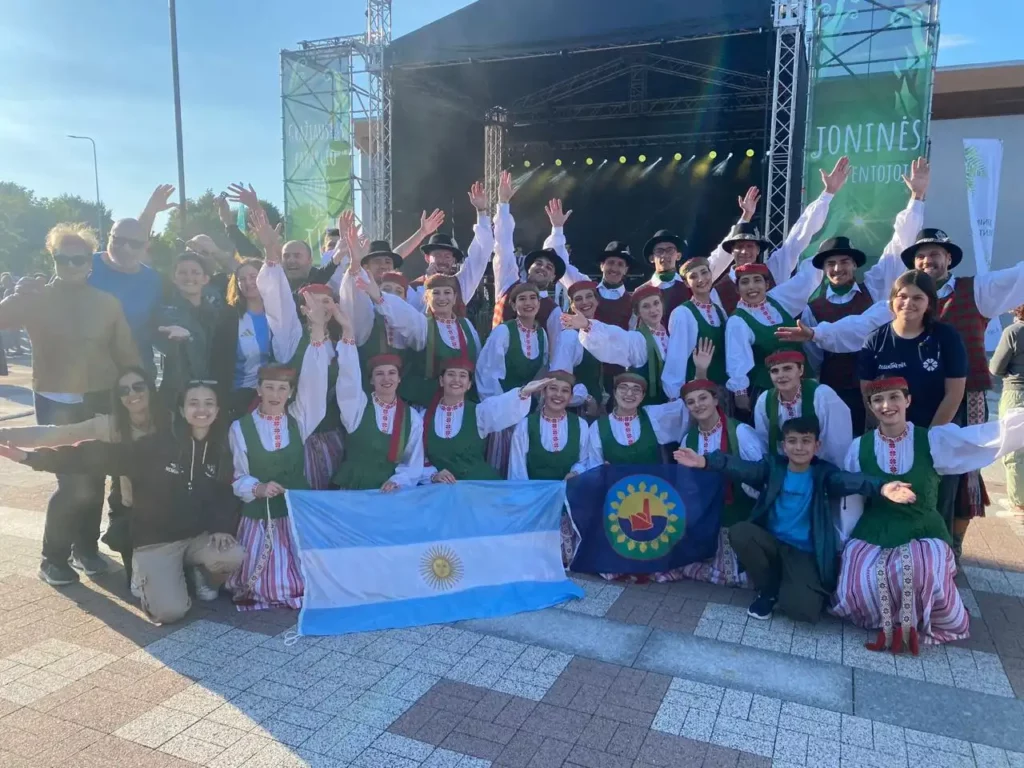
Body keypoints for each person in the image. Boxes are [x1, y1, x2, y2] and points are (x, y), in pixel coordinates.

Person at [0, 380, 243, 624]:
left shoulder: (220, 449)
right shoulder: (157, 445)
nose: (202, 409)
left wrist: (221, 526)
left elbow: (223, 494)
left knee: (234, 554)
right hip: (156, 541)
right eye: (194, 403)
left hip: (195, 537)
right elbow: (90, 458)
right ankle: (150, 571)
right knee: (169, 613)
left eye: (209, 403)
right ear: (181, 410)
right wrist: (29, 458)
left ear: (218, 410)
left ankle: (189, 571)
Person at [833, 377, 1024, 651]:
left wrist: (1018, 423)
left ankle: (909, 625)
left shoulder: (933, 441)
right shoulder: (859, 447)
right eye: (878, 400)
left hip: (924, 529)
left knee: (921, 565)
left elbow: (983, 439)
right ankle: (888, 621)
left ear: (907, 400)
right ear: (870, 407)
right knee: (859, 579)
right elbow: (850, 498)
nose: (887, 405)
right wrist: (845, 541)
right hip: (876, 526)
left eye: (894, 397)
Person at [0, 223, 141, 585]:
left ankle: (87, 549)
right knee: (73, 482)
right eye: (63, 258)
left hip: (99, 397)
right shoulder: (35, 298)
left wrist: (137, 392)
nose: (71, 265)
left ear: (90, 263)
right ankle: (53, 558)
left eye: (78, 259)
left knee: (95, 474)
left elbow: (127, 355)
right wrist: (16, 296)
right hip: (56, 398)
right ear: (54, 259)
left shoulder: (107, 304)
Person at [674, 415, 915, 622]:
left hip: (803, 553)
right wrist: (705, 462)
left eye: (806, 441)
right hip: (770, 542)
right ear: (783, 445)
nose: (799, 447)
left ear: (817, 445)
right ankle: (768, 589)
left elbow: (852, 480)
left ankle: (788, 582)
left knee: (803, 612)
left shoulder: (824, 474)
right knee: (740, 532)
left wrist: (882, 487)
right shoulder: (773, 467)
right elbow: (740, 467)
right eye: (792, 441)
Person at [899, 227, 1024, 532]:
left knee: (963, 469)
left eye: (935, 254)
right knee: (918, 463)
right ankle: (918, 534)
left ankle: (952, 547)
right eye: (921, 255)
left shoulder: (976, 290)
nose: (928, 260)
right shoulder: (905, 298)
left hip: (967, 395)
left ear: (948, 259)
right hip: (917, 395)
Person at [0, 367, 168, 591]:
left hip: (171, 510)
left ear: (150, 389)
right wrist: (8, 437)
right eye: (124, 390)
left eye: (138, 386)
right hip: (135, 512)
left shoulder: (170, 420)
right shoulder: (110, 425)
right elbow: (56, 435)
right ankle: (59, 558)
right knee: (144, 591)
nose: (132, 394)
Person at [800, 158, 929, 433]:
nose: (838, 268)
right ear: (823, 270)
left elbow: (898, 245)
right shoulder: (814, 308)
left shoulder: (875, 287)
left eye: (844, 262)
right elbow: (814, 358)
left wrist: (916, 198)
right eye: (831, 264)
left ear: (855, 265)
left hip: (879, 388)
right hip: (834, 389)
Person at [225, 295, 332, 611]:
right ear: (258, 390)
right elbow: (238, 475)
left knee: (304, 580)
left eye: (282, 389)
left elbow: (316, 379)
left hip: (295, 513)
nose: (275, 394)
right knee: (263, 583)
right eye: (268, 387)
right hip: (260, 518)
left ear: (290, 393)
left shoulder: (299, 420)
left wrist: (317, 330)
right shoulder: (240, 428)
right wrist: (257, 488)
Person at [711, 159, 850, 314]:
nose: (744, 252)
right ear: (731, 252)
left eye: (750, 246)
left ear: (758, 250)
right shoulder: (718, 292)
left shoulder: (773, 270)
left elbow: (798, 237)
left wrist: (827, 194)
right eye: (739, 247)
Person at [674, 379, 764, 586]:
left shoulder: (740, 432)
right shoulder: (689, 439)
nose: (698, 405)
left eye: (703, 398)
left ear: (716, 400)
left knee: (735, 576)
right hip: (706, 511)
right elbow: (685, 484)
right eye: (691, 402)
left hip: (739, 510)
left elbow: (759, 475)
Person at [362, 265, 482, 408]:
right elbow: (403, 314)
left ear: (455, 297)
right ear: (426, 298)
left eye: (447, 292)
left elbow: (479, 361)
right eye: (436, 293)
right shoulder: (423, 324)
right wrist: (380, 297)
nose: (442, 298)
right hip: (428, 404)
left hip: (464, 403)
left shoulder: (466, 325)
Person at [333, 311, 424, 491]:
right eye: (379, 374)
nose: (386, 379)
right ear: (372, 380)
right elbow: (348, 378)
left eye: (391, 373)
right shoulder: (357, 407)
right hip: (355, 488)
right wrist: (348, 335)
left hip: (388, 492)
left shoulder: (411, 417)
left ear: (399, 379)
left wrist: (398, 481)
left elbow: (413, 461)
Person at [422, 358, 551, 483]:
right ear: (441, 381)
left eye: (462, 376)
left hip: (478, 486)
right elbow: (415, 458)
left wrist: (523, 392)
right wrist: (433, 475)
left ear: (469, 385)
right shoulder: (423, 417)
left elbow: (500, 407)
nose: (456, 380)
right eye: (451, 374)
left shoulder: (479, 413)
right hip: (441, 490)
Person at [725, 259, 823, 416]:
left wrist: (821, 257)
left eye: (757, 280)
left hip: (804, 381)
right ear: (737, 289)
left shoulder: (778, 301)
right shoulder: (737, 320)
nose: (751, 287)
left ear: (767, 285)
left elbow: (805, 280)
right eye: (745, 282)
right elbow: (737, 358)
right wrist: (740, 392)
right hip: (770, 388)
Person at [477, 282, 550, 474]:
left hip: (529, 411)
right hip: (504, 412)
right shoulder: (503, 331)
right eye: (522, 299)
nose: (528, 303)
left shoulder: (542, 334)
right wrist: (503, 411)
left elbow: (543, 369)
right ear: (513, 304)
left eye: (533, 298)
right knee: (501, 461)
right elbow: (487, 374)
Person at [492, 176, 564, 354]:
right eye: (538, 263)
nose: (542, 268)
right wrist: (503, 204)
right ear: (528, 267)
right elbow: (503, 246)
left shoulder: (554, 311)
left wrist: (557, 230)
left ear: (554, 278)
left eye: (549, 267)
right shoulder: (508, 284)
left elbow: (555, 351)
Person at [564, 285, 670, 406]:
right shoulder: (637, 339)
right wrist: (588, 325)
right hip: (648, 407)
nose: (653, 310)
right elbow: (614, 336)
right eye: (646, 306)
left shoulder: (672, 336)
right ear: (638, 312)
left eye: (656, 303)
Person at [88, 215, 165, 374]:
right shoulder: (82, 264)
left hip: (136, 371)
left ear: (146, 246)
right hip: (89, 372)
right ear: (109, 237)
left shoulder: (153, 279)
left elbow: (158, 322)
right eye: (118, 240)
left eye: (135, 244)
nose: (125, 248)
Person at [753, 350, 852, 467]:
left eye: (787, 368)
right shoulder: (765, 400)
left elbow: (837, 445)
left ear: (801, 370)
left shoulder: (823, 395)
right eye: (775, 371)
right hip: (784, 469)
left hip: (821, 468)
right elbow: (764, 441)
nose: (781, 375)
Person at [210, 258, 274, 421]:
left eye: (253, 276)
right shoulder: (229, 317)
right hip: (239, 400)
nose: (248, 283)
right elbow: (218, 362)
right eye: (242, 279)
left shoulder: (278, 313)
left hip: (273, 396)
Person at [406, 191, 490, 313]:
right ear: (427, 258)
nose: (443, 261)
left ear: (454, 261)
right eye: (438, 255)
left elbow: (481, 252)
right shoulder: (413, 288)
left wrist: (482, 212)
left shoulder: (461, 283)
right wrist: (429, 281)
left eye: (447, 257)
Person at [584, 372, 690, 467]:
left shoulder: (652, 416)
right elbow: (594, 465)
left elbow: (687, 406)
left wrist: (700, 372)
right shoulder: (598, 427)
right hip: (616, 487)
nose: (629, 394)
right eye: (623, 388)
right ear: (615, 392)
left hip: (653, 487)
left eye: (636, 389)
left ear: (642, 396)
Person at [157, 252, 221, 402]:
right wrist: (188, 337)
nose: (189, 277)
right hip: (176, 393)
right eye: (182, 272)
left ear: (205, 279)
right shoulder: (165, 312)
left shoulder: (218, 314)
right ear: (174, 278)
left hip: (212, 392)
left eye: (195, 272)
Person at [663, 257, 730, 398]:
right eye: (693, 276)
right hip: (697, 393)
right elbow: (676, 359)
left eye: (704, 273)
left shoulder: (719, 311)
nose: (701, 279)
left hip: (722, 391)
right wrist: (675, 396)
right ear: (687, 283)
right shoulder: (683, 313)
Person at [508, 371, 589, 481]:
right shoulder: (525, 426)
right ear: (543, 392)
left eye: (565, 391)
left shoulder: (581, 425)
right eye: (553, 388)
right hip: (534, 495)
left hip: (569, 494)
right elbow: (517, 471)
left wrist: (575, 472)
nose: (558, 394)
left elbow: (585, 461)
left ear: (570, 397)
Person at [549, 281, 604, 415]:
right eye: (578, 299)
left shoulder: (599, 330)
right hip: (575, 412)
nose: (585, 302)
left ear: (597, 302)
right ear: (572, 305)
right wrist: (586, 398)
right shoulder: (570, 337)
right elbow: (558, 380)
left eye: (589, 296)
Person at [990, 305, 1024, 511]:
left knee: (1014, 451)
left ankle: (1019, 502)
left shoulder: (1014, 332)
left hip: (1017, 393)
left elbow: (995, 368)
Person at [636, 229, 691, 318]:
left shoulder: (690, 287)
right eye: (659, 251)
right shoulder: (640, 292)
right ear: (652, 258)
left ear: (678, 256)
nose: (665, 255)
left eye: (670, 250)